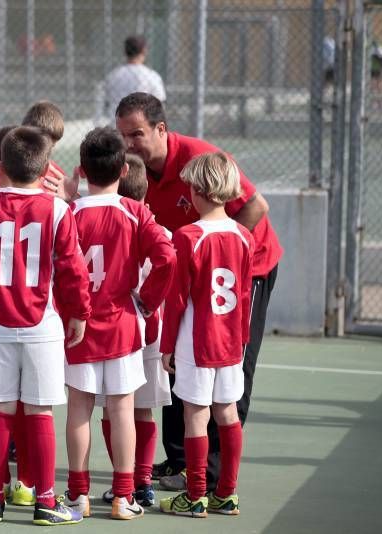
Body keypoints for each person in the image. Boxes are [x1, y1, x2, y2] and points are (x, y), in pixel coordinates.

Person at [115, 92, 282, 492]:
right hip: (190, 273)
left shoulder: (200, 159)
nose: (129, 144)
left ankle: (216, 474)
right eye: (123, 136)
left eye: (137, 134)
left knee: (232, 368)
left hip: (244, 269)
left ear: (161, 129)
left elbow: (257, 205)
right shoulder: (133, 170)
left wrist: (223, 246)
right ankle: (180, 462)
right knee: (182, 363)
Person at [0, 126, 92, 525]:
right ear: (43, 169)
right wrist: (79, 313)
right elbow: (73, 270)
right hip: (42, 324)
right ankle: (46, 501)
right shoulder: (58, 209)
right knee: (40, 410)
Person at [62, 128, 175, 521]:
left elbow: (57, 268)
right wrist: (149, 300)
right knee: (122, 409)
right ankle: (123, 496)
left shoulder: (70, 213)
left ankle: (79, 495)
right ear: (123, 169)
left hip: (78, 327)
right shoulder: (135, 211)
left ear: (81, 169)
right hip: (124, 324)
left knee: (79, 408)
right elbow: (166, 258)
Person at [159, 152, 253, 518]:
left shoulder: (189, 236)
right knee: (227, 413)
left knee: (195, 415)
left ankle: (196, 494)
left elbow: (177, 297)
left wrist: (166, 347)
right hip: (230, 343)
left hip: (196, 342)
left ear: (199, 190)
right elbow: (244, 295)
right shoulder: (244, 236)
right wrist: (241, 340)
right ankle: (226, 493)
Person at [99, 154, 173, 508]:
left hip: (118, 329)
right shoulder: (161, 232)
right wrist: (150, 303)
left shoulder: (110, 227)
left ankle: (123, 480)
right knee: (142, 411)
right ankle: (140, 481)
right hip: (152, 333)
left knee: (112, 410)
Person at [103, 36, 166, 120]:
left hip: (116, 122)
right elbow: (160, 103)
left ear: (125, 51)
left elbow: (106, 100)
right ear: (144, 51)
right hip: (141, 125)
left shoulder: (113, 75)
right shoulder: (151, 76)